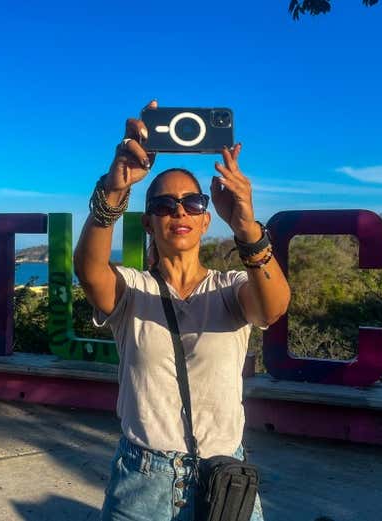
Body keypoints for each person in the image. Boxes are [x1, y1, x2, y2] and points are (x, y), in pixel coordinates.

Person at [73, 100, 291, 521]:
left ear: (207, 220)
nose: (179, 212)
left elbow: (273, 307)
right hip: (143, 484)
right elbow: (89, 271)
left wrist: (247, 227)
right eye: (163, 205)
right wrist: (115, 191)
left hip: (225, 482)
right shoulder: (133, 291)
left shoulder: (229, 289)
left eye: (192, 203)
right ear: (148, 222)